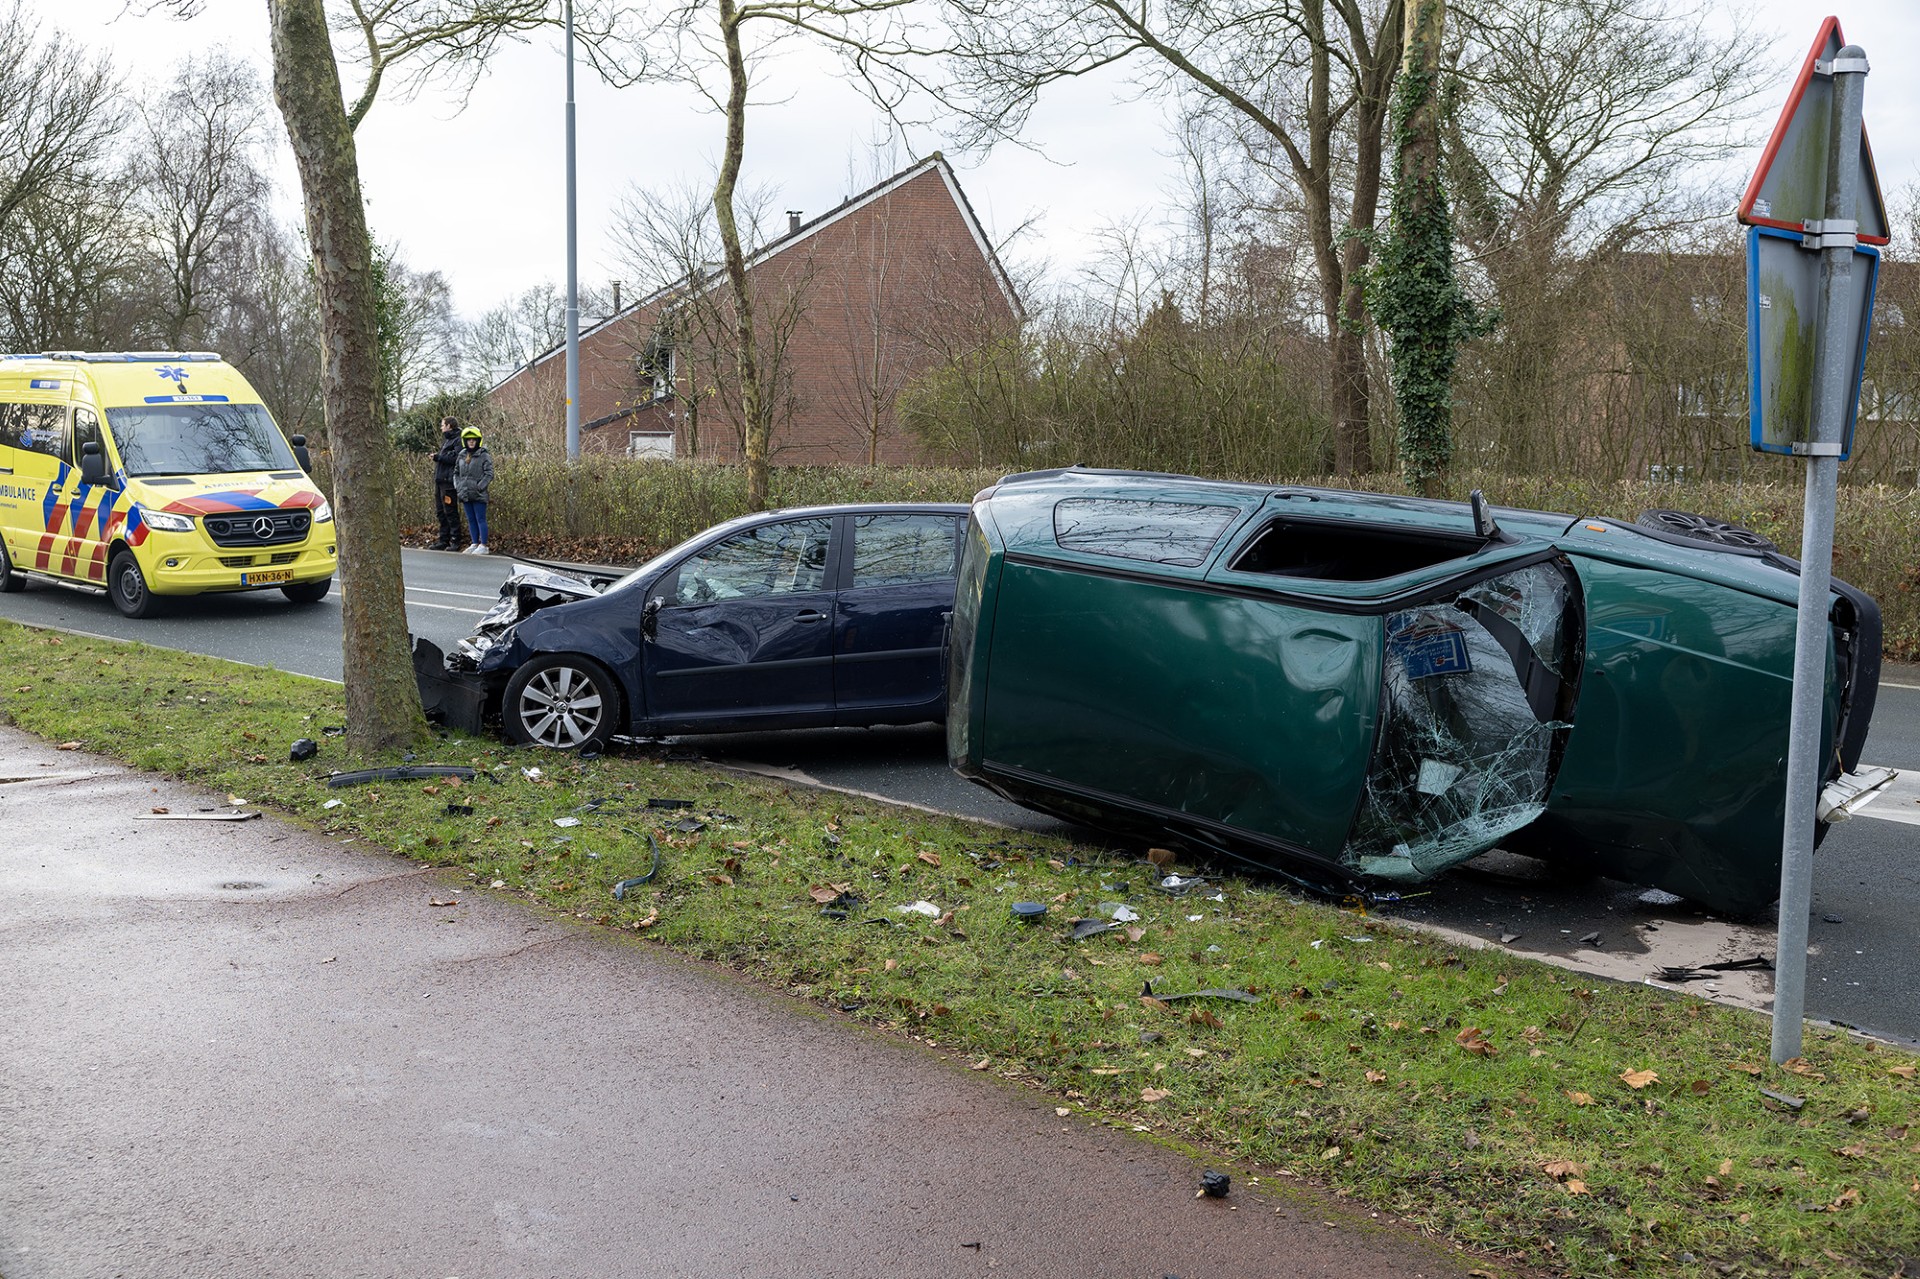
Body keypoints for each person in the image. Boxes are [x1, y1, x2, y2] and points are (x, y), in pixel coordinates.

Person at [454, 425, 494, 555]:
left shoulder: (484, 455)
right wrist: (458, 486)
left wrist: (480, 487)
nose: (471, 442)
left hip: (478, 493)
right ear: (465, 441)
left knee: (480, 518)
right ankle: (474, 543)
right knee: (470, 519)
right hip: (464, 492)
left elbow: (489, 474)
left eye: (474, 439)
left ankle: (483, 545)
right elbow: (456, 472)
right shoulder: (462, 454)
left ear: (478, 440)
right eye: (469, 439)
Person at [430, 417, 465, 550]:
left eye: (443, 425)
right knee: (440, 511)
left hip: (448, 482)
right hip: (440, 480)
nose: (441, 427)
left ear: (449, 426)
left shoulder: (458, 440)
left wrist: (439, 457)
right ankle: (443, 539)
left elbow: (457, 458)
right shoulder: (447, 440)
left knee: (450, 511)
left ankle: (455, 540)